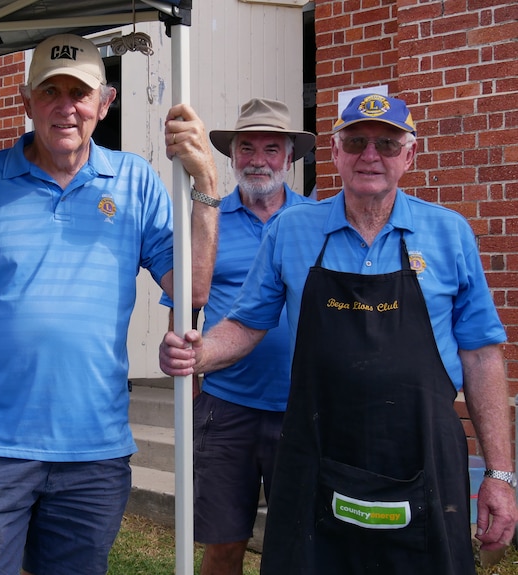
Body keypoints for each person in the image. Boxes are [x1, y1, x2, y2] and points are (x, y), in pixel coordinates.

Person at [159, 93, 518, 574]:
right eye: (356, 141)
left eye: (387, 144)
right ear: (335, 151)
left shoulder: (449, 233)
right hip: (316, 447)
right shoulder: (292, 229)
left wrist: (498, 472)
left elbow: (482, 356)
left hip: (422, 451)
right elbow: (247, 323)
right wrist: (199, 354)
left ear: (409, 156)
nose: (370, 155)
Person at [0, 33, 219, 575]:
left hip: (93, 451)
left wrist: (206, 185)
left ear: (105, 104)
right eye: (49, 91)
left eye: (79, 93)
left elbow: (191, 292)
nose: (65, 107)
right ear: (25, 100)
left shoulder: (135, 182)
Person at [160, 98, 314, 575]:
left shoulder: (318, 223)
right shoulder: (208, 222)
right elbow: (182, 319)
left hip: (303, 410)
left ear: (289, 157)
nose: (258, 159)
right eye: (246, 147)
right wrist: (191, 400)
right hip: (226, 411)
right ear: (231, 156)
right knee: (224, 545)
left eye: (272, 148)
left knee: (299, 545)